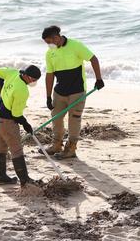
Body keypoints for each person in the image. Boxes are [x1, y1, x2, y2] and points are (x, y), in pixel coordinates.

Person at [41, 26, 105, 160]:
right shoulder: (50, 53)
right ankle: (57, 145)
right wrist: (47, 96)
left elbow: (93, 59)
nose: (48, 45)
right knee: (56, 118)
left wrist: (99, 79)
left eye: (49, 42)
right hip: (59, 92)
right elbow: (50, 75)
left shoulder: (76, 46)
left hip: (77, 91)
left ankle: (71, 149)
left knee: (74, 119)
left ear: (56, 38)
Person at [0, 65, 41, 185]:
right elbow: (16, 114)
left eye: (36, 80)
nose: (33, 82)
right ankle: (25, 180)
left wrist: (1, 87)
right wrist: (25, 124)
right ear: (26, 75)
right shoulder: (22, 90)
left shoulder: (13, 73)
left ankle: (1, 177)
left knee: (1, 147)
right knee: (16, 150)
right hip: (8, 121)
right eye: (33, 80)